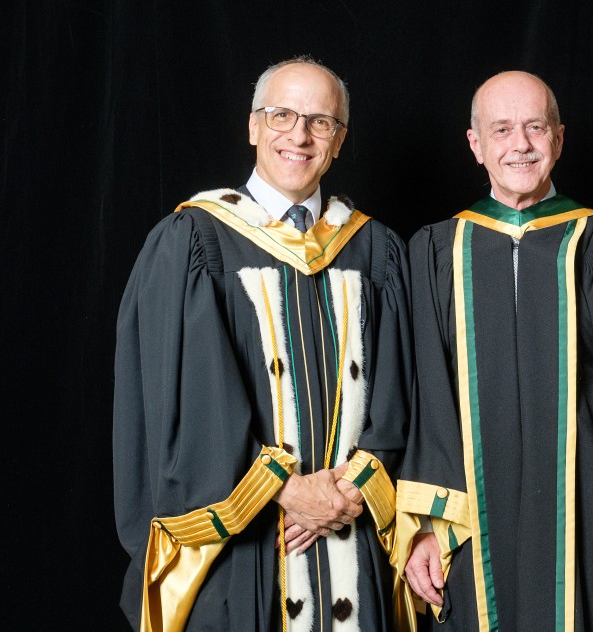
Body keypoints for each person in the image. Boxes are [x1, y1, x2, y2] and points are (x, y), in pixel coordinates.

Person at [113, 55, 413, 631]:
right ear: (253, 126)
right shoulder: (196, 239)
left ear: (340, 139)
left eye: (320, 122)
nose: (299, 135)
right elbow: (183, 401)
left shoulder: (376, 250)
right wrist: (283, 490)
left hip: (353, 548)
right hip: (243, 554)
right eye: (282, 116)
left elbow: (405, 392)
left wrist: (347, 493)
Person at [393, 70, 593, 631]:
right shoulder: (434, 251)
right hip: (471, 519)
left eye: (534, 127)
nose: (520, 144)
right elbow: (423, 396)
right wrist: (430, 523)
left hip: (592, 508)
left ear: (558, 138)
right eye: (501, 129)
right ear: (476, 144)